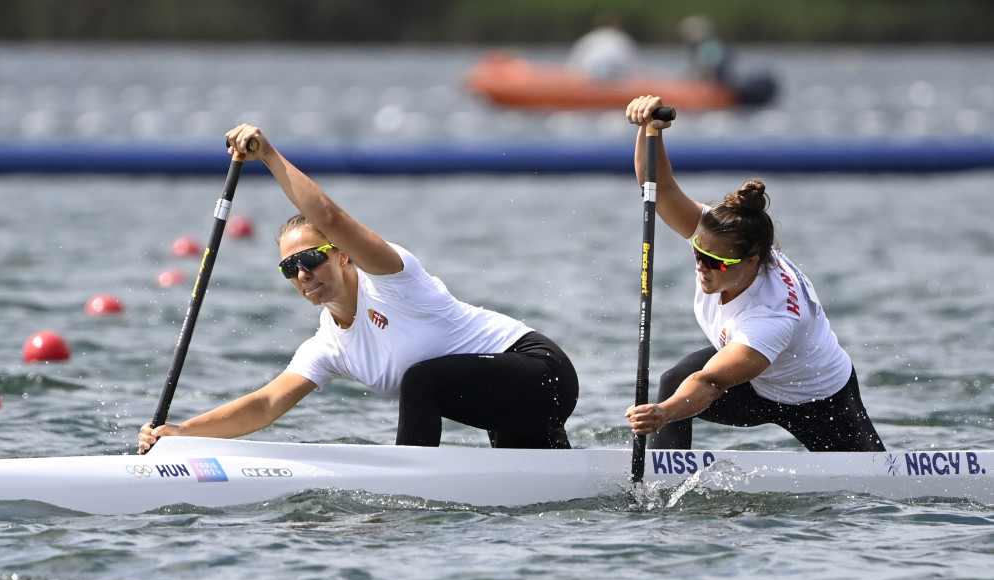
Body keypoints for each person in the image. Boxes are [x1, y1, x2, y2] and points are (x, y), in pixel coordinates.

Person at [139, 123, 579, 454]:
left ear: (343, 254)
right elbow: (264, 405)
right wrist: (181, 432)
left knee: (421, 380)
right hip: (502, 405)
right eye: (289, 267)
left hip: (542, 373)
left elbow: (329, 217)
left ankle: (409, 492)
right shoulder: (329, 345)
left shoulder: (392, 279)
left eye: (311, 258)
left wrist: (269, 154)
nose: (302, 274)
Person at [623, 96, 884, 452]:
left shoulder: (771, 315)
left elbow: (710, 384)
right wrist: (650, 130)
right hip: (755, 382)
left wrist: (661, 414)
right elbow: (660, 188)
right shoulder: (719, 234)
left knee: (868, 481)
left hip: (817, 398)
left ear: (752, 261)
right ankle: (662, 484)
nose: (702, 264)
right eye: (699, 252)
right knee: (674, 379)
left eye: (715, 261)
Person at [568, 13, 640, 80]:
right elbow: (635, 65)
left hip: (591, 72)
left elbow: (574, 62)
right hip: (618, 74)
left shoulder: (590, 37)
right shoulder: (622, 37)